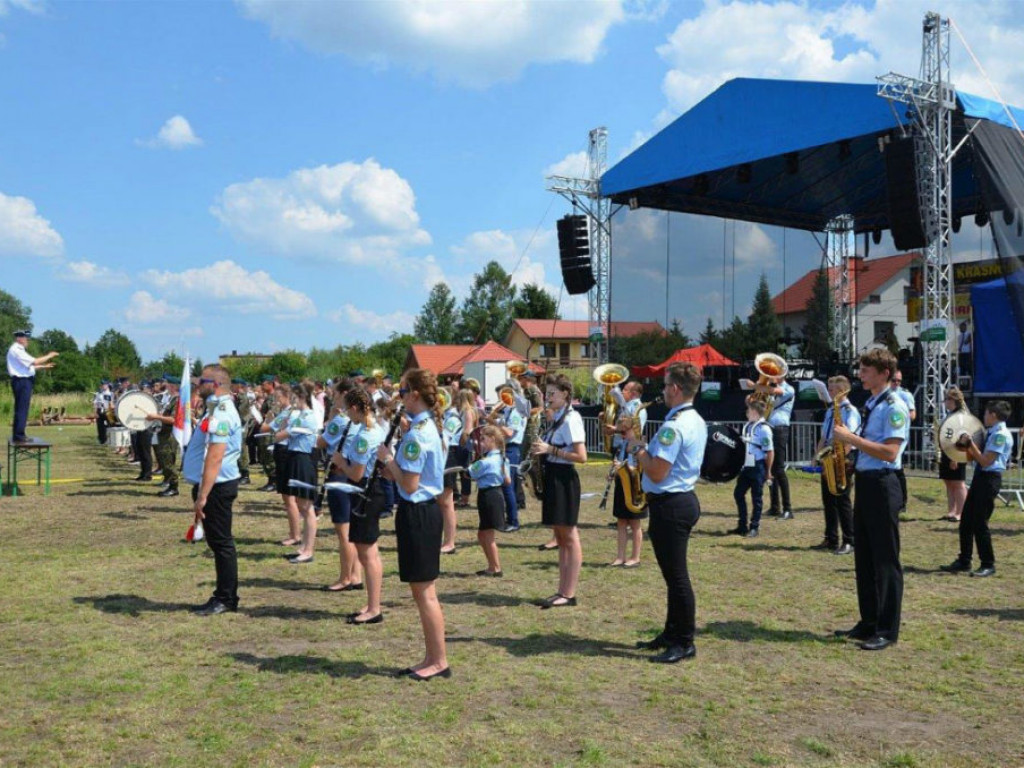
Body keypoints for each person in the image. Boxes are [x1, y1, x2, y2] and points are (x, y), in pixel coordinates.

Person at [628, 361, 707, 663]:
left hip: (671, 504)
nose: (662, 391)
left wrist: (637, 448)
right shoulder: (694, 419)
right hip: (680, 500)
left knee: (677, 578)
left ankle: (684, 641)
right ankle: (671, 632)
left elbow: (658, 471)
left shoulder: (674, 426)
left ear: (674, 389)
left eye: (664, 386)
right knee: (673, 577)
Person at [832, 348, 909, 651]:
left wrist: (851, 440)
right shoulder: (873, 404)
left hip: (883, 484)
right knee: (864, 556)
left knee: (885, 559)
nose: (861, 375)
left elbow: (890, 452)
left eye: (866, 370)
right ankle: (869, 621)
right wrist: (853, 460)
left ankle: (887, 629)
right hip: (866, 482)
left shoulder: (894, 406)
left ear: (884, 374)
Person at [377, 368, 449, 680]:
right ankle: (432, 657)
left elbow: (409, 484)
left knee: (425, 593)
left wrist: (387, 458)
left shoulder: (418, 434)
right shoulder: (423, 427)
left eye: (403, 390)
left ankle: (438, 661)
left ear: (415, 395)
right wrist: (392, 469)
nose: (400, 395)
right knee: (422, 592)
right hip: (420, 512)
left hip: (419, 513)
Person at [183, 365, 242, 616]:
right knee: (218, 542)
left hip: (216, 487)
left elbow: (215, 458)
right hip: (213, 485)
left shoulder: (222, 414)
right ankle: (224, 594)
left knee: (221, 543)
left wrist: (203, 495)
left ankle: (226, 597)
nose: (198, 384)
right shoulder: (216, 409)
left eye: (202, 380)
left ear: (215, 384)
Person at [531, 374, 587, 609]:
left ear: (565, 394)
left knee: (570, 537)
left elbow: (581, 457)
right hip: (554, 477)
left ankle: (569, 592)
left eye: (552, 393)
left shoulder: (572, 419)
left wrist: (550, 449)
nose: (548, 397)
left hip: (564, 480)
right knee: (562, 538)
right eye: (546, 394)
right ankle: (562, 590)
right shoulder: (558, 418)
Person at [940, 400, 1013, 578]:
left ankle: (988, 563)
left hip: (989, 480)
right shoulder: (992, 432)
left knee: (980, 523)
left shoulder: (1000, 435)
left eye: (986, 413)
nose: (984, 417)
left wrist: (971, 444)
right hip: (981, 478)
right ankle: (964, 560)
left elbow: (986, 461)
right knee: (966, 521)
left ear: (993, 415)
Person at [336, 387, 388, 622]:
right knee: (368, 551)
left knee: (368, 554)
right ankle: (371, 604)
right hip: (370, 491)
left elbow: (356, 474)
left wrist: (340, 462)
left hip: (365, 491)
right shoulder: (375, 429)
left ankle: (374, 608)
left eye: (348, 409)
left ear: (355, 408)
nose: (347, 414)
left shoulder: (364, 436)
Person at [319, 378, 361, 592]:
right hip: (355, 473)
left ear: (344, 394)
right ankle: (356, 574)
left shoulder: (341, 420)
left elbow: (321, 442)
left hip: (339, 473)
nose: (332, 397)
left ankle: (346, 577)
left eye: (335, 394)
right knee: (353, 528)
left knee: (343, 530)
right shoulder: (361, 419)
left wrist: (331, 417)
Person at [813, 377, 860, 555]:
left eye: (832, 390)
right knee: (828, 499)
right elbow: (824, 436)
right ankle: (831, 538)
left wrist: (841, 458)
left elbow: (850, 436)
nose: (829, 393)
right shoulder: (830, 410)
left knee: (843, 499)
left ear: (842, 391)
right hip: (829, 454)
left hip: (843, 455)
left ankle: (849, 539)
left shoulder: (850, 411)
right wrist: (818, 455)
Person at [276, 381, 319, 564]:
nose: (292, 401)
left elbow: (280, 435)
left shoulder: (308, 416)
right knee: (302, 506)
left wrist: (285, 426)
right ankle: (303, 547)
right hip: (295, 457)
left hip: (303, 460)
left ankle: (308, 550)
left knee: (307, 508)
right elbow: (279, 431)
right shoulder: (299, 415)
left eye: (294, 397)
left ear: (302, 397)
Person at [260, 384, 298, 546]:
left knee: (289, 498)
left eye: (278, 397)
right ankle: (294, 533)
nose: (276, 400)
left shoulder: (287, 413)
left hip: (284, 452)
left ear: (286, 397)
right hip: (286, 452)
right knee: (289, 498)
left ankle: (295, 534)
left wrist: (267, 418)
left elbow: (266, 428)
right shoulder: (292, 412)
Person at [467, 424, 507, 577]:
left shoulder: (486, 461)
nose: (480, 443)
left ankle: (495, 567)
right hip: (495, 493)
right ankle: (492, 565)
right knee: (483, 534)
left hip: (489, 496)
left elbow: (470, 472)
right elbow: (508, 480)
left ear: (492, 439)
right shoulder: (502, 458)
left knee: (487, 535)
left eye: (483, 439)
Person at [608, 411, 647, 566]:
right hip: (622, 485)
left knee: (635, 523)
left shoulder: (640, 443)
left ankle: (635, 557)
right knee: (621, 521)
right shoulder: (622, 443)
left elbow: (642, 467)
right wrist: (613, 472)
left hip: (635, 486)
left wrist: (624, 467)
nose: (620, 431)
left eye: (624, 428)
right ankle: (620, 556)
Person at [731, 398, 773, 539]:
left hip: (758, 466)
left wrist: (768, 471)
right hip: (747, 466)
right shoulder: (748, 426)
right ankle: (742, 525)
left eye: (749, 410)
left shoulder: (764, 429)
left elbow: (769, 451)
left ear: (755, 412)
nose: (747, 413)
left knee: (757, 498)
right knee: (738, 493)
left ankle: (754, 527)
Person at [7, 330, 58, 442]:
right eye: (26, 339)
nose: (27, 341)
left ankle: (19, 434)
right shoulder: (17, 350)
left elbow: (29, 367)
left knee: (21, 408)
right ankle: (19, 436)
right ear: (19, 338)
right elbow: (34, 362)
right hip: (22, 381)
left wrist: (44, 366)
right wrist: (49, 355)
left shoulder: (18, 350)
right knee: (22, 409)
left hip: (22, 381)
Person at [146, 376, 181, 497]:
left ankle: (173, 487)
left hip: (170, 435)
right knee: (164, 461)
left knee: (169, 462)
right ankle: (168, 482)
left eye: (169, 384)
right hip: (164, 433)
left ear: (174, 386)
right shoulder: (171, 399)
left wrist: (157, 417)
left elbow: (173, 419)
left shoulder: (177, 400)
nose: (166, 386)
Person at [938, 387, 968, 523]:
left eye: (946, 400)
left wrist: (955, 456)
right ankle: (952, 511)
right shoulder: (950, 414)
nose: (944, 402)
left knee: (958, 483)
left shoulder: (960, 415)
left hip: (956, 452)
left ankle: (961, 512)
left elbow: (962, 437)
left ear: (953, 400)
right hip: (946, 451)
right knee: (949, 481)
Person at [438, 388, 463, 555]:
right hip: (440, 456)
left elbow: (445, 438)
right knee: (440, 502)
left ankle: (450, 542)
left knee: (447, 503)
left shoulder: (453, 418)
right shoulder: (443, 417)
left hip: (448, 456)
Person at [889, 370, 916, 512]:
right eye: (894, 380)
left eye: (899, 381)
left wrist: (900, 413)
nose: (896, 383)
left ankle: (902, 502)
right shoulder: (885, 394)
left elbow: (912, 415)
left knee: (897, 467)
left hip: (899, 435)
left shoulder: (905, 394)